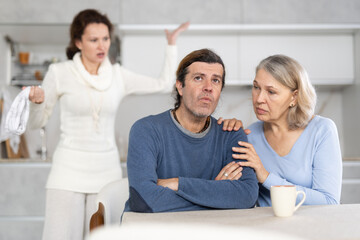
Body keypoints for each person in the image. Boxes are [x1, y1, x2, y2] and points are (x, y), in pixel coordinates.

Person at [27, 9, 189, 240]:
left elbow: (164, 84)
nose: (101, 45)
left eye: (105, 39)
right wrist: (36, 104)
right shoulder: (59, 72)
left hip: (106, 173)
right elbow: (37, 122)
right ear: (78, 42)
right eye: (93, 40)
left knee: (102, 236)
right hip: (66, 171)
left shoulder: (117, 75)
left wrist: (171, 45)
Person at [125, 48, 259, 213]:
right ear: (180, 87)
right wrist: (217, 195)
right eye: (198, 78)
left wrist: (177, 184)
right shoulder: (146, 131)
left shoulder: (231, 133)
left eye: (216, 80)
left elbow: (247, 195)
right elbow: (143, 200)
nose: (208, 87)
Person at [231, 54, 342, 206]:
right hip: (262, 228)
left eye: (271, 92)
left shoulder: (322, 130)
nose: (258, 99)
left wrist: (266, 177)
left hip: (312, 227)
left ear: (294, 97)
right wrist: (224, 134)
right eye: (256, 87)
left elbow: (329, 202)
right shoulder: (249, 137)